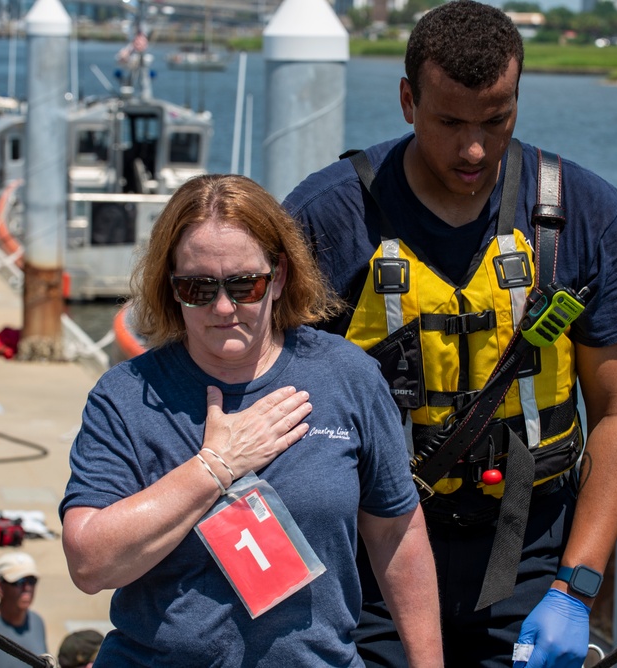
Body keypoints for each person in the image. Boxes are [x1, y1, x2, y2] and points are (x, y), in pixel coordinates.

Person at [282, 2, 617, 667]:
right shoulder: (329, 219)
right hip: (369, 550)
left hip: (532, 552)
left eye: (496, 121)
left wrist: (576, 588)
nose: (473, 149)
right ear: (408, 101)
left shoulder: (585, 216)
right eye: (449, 122)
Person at [60, 174, 442, 667]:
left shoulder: (348, 378)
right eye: (198, 287)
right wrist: (216, 466)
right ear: (171, 287)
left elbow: (397, 534)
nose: (223, 307)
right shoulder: (127, 396)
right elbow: (89, 563)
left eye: (245, 284)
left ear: (278, 276)